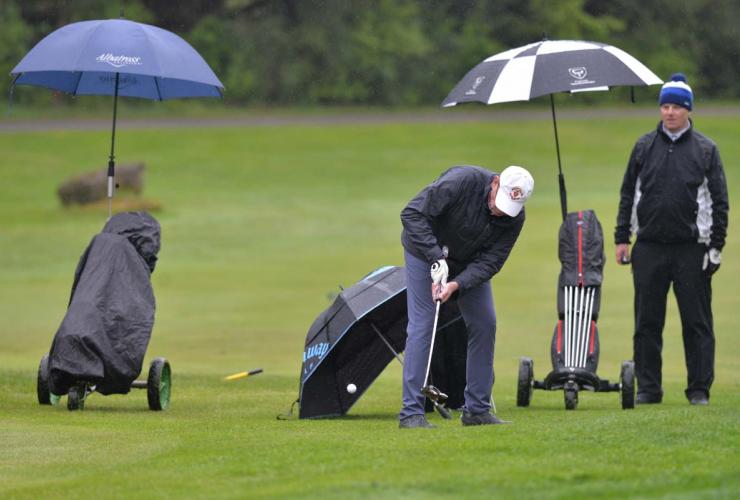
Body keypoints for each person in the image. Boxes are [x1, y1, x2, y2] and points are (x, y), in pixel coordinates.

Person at [614, 73, 729, 406]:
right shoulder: (643, 146)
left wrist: (716, 246)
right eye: (665, 106)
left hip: (692, 249)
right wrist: (622, 237)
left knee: (697, 322)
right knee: (647, 322)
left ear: (688, 110)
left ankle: (699, 389)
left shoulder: (705, 150)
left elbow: (719, 202)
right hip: (649, 247)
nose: (670, 112)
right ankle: (649, 388)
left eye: (677, 107)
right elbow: (628, 194)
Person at [399, 165, 534, 428]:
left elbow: (492, 261)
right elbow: (412, 214)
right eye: (499, 202)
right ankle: (411, 413)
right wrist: (435, 257)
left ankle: (477, 410)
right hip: (424, 250)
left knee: (485, 323)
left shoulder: (515, 217)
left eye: (508, 208)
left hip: (466, 263)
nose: (499, 211)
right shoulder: (461, 182)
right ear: (495, 183)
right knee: (423, 324)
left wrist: (456, 285)